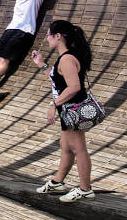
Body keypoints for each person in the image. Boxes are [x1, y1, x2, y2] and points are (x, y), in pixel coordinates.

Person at [31, 20, 95, 203]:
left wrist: (53, 105)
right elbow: (57, 80)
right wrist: (41, 64)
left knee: (78, 148)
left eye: (49, 34)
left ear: (58, 36)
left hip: (72, 108)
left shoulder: (67, 59)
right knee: (66, 147)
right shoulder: (66, 57)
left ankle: (85, 189)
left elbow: (73, 87)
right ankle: (58, 182)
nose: (47, 37)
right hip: (69, 109)